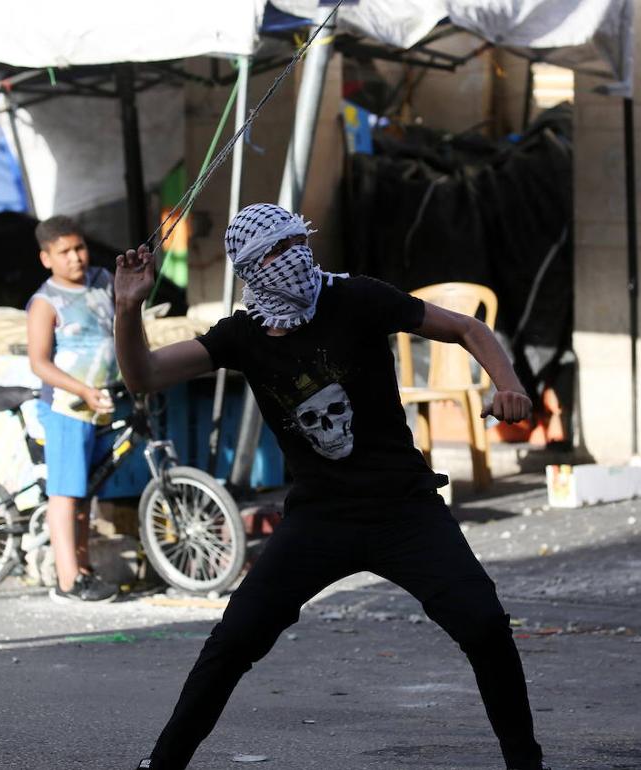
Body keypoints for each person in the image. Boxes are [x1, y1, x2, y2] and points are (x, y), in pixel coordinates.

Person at [115, 203, 549, 770]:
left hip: (403, 509)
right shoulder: (242, 336)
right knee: (234, 641)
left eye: (298, 241)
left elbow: (467, 328)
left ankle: (526, 763)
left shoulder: (356, 297)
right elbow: (142, 375)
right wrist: (128, 309)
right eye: (276, 250)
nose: (294, 256)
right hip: (319, 519)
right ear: (250, 267)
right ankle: (162, 763)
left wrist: (508, 383)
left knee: (486, 625)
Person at [26, 216, 120, 603]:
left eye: (79, 248)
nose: (75, 258)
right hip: (67, 407)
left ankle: (84, 567)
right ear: (46, 259)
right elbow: (39, 362)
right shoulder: (45, 302)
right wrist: (83, 388)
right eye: (64, 252)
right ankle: (67, 581)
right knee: (65, 494)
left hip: (103, 403)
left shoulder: (103, 282)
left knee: (85, 494)